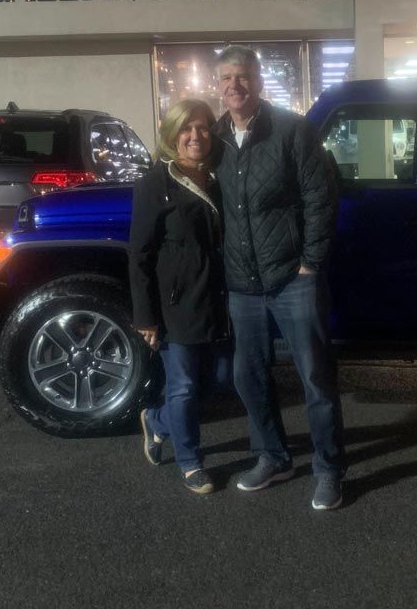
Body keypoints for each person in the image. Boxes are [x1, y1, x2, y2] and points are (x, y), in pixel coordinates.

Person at [213, 45, 346, 511]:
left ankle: (329, 469)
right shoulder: (214, 138)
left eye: (243, 76)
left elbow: (319, 197)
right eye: (227, 78)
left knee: (316, 378)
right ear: (218, 84)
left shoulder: (292, 129)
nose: (235, 85)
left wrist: (310, 261)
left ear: (258, 80)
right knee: (249, 376)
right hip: (242, 284)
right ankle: (273, 456)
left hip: (293, 277)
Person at [129, 99, 230, 495]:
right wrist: (145, 316)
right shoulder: (157, 182)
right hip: (177, 304)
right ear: (173, 134)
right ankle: (191, 462)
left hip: (219, 298)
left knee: (220, 378)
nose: (195, 136)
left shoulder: (220, 176)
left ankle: (156, 422)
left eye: (203, 128)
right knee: (184, 386)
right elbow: (139, 253)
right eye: (186, 129)